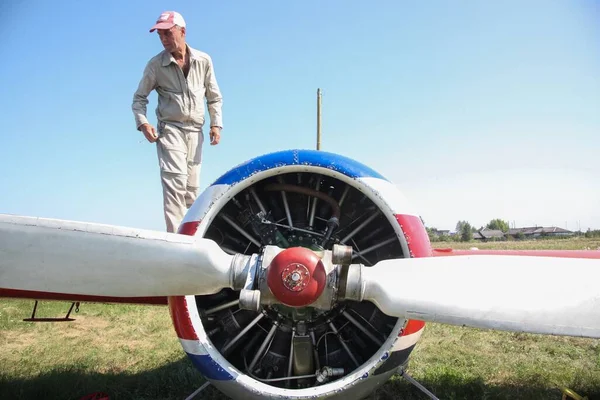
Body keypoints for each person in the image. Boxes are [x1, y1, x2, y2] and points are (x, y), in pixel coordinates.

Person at [132, 11, 223, 233]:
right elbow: (139, 98)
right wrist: (143, 123)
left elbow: (214, 96)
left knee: (192, 192)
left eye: (167, 33)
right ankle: (176, 243)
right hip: (170, 130)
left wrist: (216, 123)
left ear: (182, 32)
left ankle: (191, 241)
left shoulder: (204, 60)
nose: (163, 39)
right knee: (175, 185)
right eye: (160, 35)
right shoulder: (155, 65)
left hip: (196, 131)